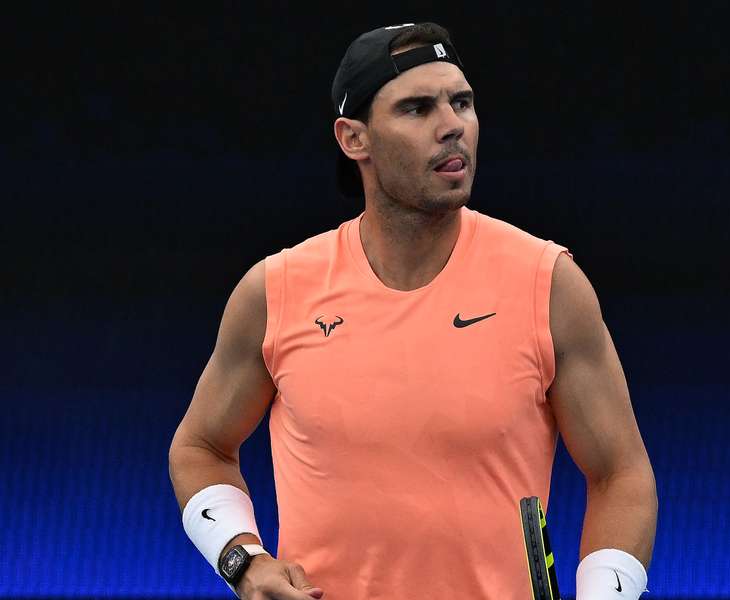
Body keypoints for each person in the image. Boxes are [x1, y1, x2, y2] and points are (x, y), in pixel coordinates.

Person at [169, 22, 657, 600]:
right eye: (418, 108)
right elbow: (200, 448)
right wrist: (243, 561)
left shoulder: (548, 284)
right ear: (354, 139)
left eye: (463, 102)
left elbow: (622, 475)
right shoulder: (275, 292)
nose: (453, 125)